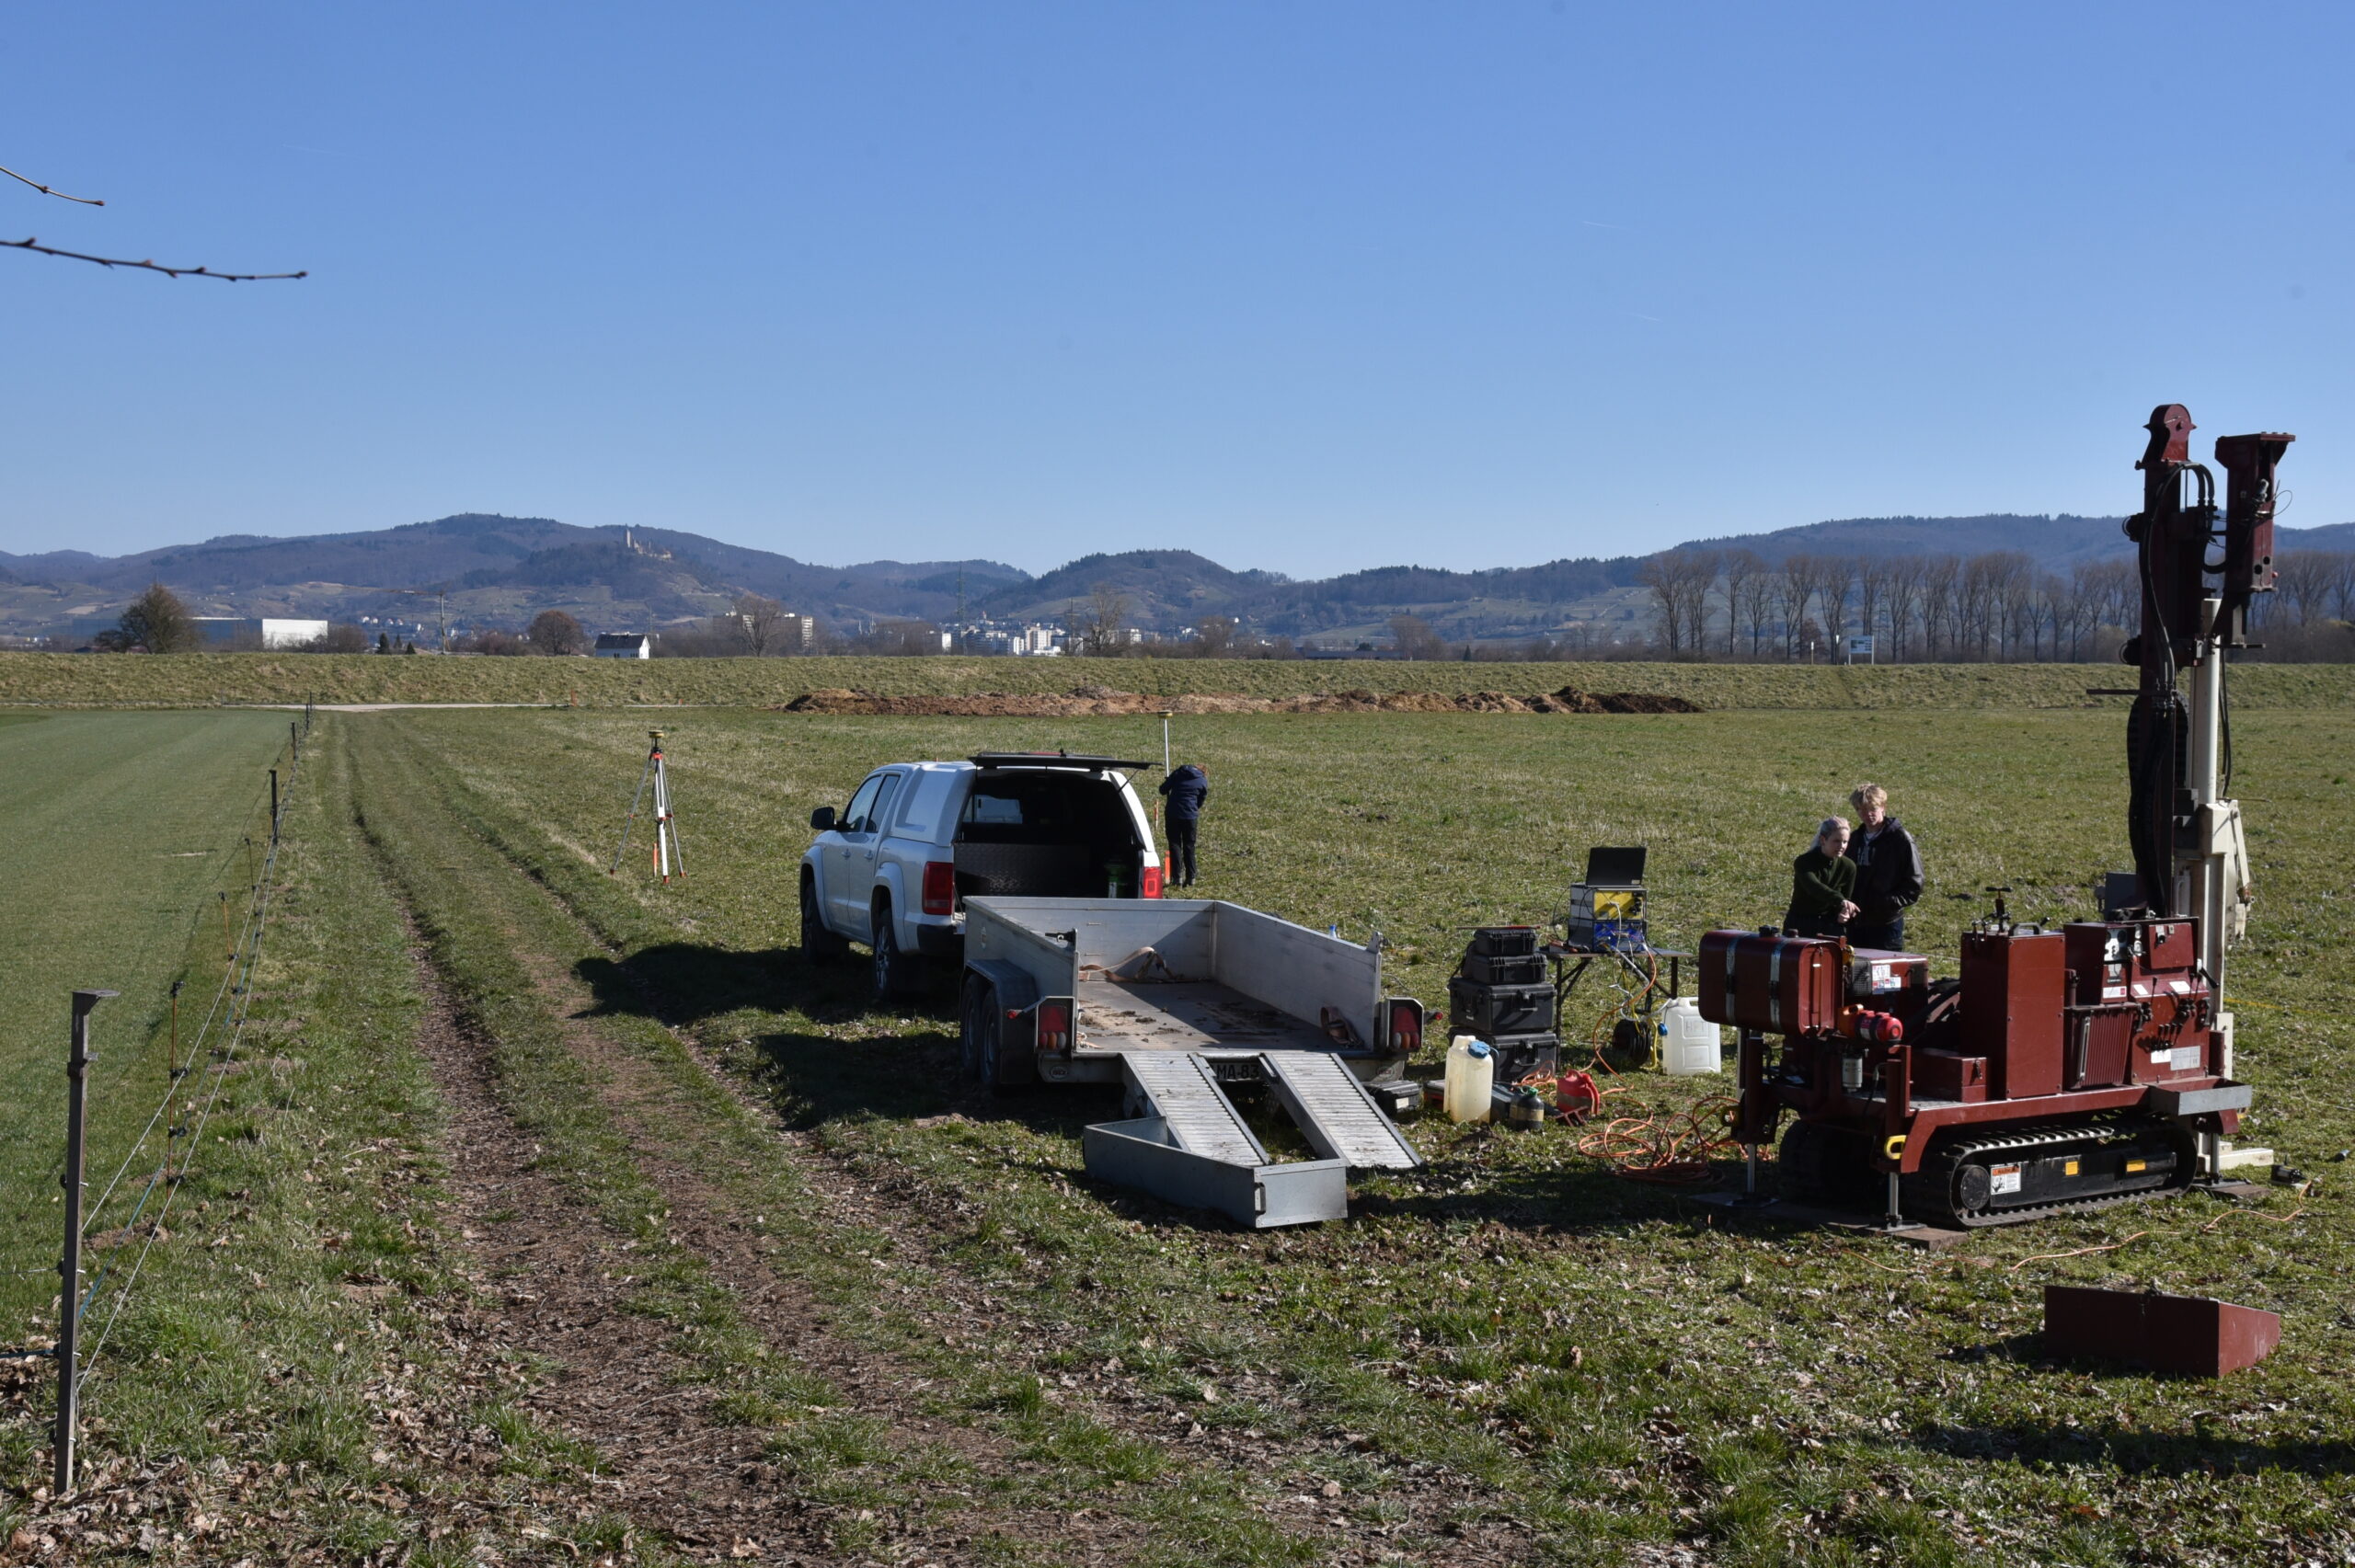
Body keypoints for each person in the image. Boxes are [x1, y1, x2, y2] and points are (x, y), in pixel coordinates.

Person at [1843, 783, 1924, 950]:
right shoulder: (1854, 840)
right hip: (1856, 923)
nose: (1867, 814)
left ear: (1883, 807)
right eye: (1861, 810)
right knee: (1855, 973)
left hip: (1886, 925)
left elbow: (1915, 881)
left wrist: (1887, 903)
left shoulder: (1900, 840)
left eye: (1872, 808)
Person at [1786, 817, 1859, 940]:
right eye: (1836, 841)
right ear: (1823, 840)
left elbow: (1846, 897)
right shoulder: (1804, 862)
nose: (1841, 846)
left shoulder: (1849, 866)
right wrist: (1841, 901)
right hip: (1800, 924)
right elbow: (1815, 888)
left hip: (1830, 926)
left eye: (1845, 842)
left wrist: (1844, 912)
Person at [1158, 761, 1208, 887]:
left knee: (1174, 844)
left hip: (1173, 813)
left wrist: (1169, 781)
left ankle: (1177, 877)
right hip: (1190, 816)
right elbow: (1201, 798)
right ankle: (1191, 878)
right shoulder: (1202, 780)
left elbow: (1162, 790)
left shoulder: (1178, 773)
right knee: (1189, 846)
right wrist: (1193, 808)